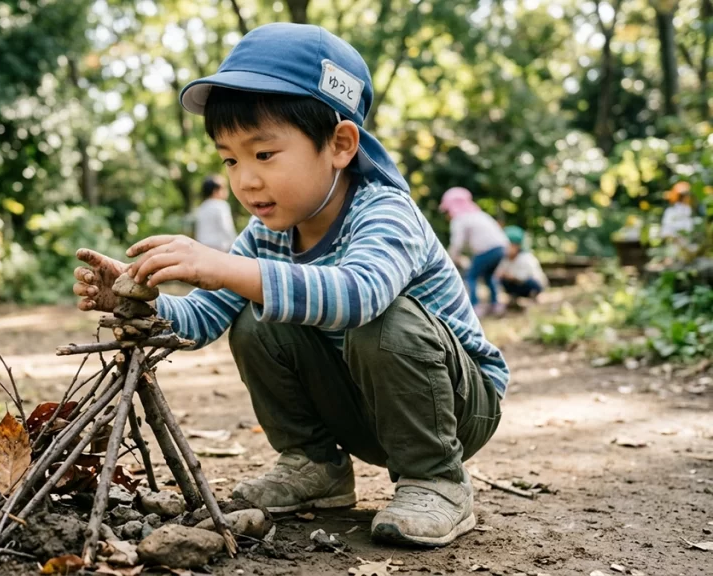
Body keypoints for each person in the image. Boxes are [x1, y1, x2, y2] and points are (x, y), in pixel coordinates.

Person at [72, 23, 507, 547]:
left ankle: (437, 479)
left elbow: (360, 295)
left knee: (379, 320)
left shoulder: (385, 212)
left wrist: (222, 266)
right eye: (230, 159)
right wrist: (140, 303)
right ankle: (315, 464)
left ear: (341, 144)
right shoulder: (265, 234)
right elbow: (207, 315)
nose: (245, 180)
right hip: (363, 407)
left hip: (457, 407)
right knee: (253, 321)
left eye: (264, 154)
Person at [439, 187, 509, 316]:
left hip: (488, 250)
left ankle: (475, 306)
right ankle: (496, 304)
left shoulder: (459, 219)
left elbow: (457, 243)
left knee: (470, 276)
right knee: (489, 276)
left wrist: (448, 260)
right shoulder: (479, 214)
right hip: (501, 247)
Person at [495, 226, 547, 309]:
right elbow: (497, 274)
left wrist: (511, 276)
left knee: (530, 281)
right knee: (503, 280)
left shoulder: (526, 258)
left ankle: (534, 295)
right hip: (515, 285)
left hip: (530, 284)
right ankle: (513, 297)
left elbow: (527, 276)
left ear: (516, 246)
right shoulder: (505, 260)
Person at [192, 174, 237, 252]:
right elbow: (227, 228)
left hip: (203, 247)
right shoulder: (221, 205)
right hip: (220, 249)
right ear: (215, 191)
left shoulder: (202, 207)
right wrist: (236, 244)